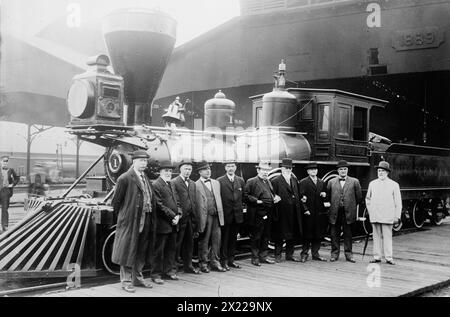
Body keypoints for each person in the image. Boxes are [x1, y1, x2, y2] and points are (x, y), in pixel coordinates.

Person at [111, 150, 156, 293]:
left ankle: (138, 278)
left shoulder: (145, 177)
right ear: (134, 162)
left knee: (141, 250)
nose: (144, 163)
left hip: (145, 219)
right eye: (141, 161)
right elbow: (116, 202)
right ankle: (126, 281)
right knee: (128, 250)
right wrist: (125, 217)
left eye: (145, 161)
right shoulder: (124, 178)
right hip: (131, 221)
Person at [244, 161, 281, 266]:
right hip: (257, 214)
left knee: (266, 235)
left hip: (268, 213)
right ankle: (255, 258)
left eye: (267, 171)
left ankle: (263, 256)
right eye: (263, 170)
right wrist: (257, 201)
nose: (265, 172)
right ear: (258, 170)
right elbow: (245, 196)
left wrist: (275, 197)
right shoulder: (251, 181)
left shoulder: (268, 181)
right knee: (256, 236)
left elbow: (271, 194)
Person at [365, 161, 402, 265]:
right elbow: (368, 199)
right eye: (379, 171)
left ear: (387, 172)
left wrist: (397, 216)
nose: (380, 173)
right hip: (375, 215)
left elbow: (398, 202)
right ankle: (377, 257)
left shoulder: (394, 185)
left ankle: (389, 258)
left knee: (387, 237)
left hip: (388, 216)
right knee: (376, 237)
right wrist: (371, 211)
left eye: (383, 171)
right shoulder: (372, 184)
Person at [151, 161, 181, 284]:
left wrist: (179, 214)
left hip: (173, 223)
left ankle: (169, 271)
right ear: (160, 172)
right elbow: (159, 205)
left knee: (171, 248)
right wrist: (173, 216)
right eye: (166, 171)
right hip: (162, 224)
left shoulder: (171, 184)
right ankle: (156, 274)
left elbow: (177, 201)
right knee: (159, 250)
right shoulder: (156, 185)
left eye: (170, 171)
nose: (168, 173)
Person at [327, 160, 362, 263]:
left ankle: (349, 255)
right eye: (341, 169)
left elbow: (359, 197)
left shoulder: (354, 181)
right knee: (334, 234)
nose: (343, 171)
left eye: (345, 169)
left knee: (348, 234)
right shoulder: (331, 182)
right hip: (335, 212)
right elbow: (328, 196)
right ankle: (334, 254)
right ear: (338, 170)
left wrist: (350, 205)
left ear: (347, 170)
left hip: (348, 212)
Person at [195, 161, 226, 273]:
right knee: (204, 240)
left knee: (216, 240)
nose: (208, 171)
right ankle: (203, 263)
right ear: (199, 172)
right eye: (205, 169)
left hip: (216, 216)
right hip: (204, 217)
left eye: (209, 169)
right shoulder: (196, 185)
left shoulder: (216, 183)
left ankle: (215, 262)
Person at [270, 158, 303, 262]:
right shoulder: (275, 181)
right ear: (282, 168)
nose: (288, 170)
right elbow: (272, 195)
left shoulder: (294, 180)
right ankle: (278, 255)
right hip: (282, 212)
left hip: (294, 212)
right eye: (286, 168)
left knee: (292, 234)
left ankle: (290, 255)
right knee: (279, 234)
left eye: (290, 168)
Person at [172, 161, 200, 274]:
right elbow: (175, 200)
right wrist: (179, 214)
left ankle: (188, 266)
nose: (187, 171)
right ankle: (173, 268)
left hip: (190, 218)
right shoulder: (174, 182)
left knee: (189, 243)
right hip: (180, 218)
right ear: (180, 170)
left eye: (189, 169)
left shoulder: (193, 183)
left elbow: (194, 201)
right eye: (185, 169)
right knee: (176, 244)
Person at [217, 161, 245, 270]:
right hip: (226, 216)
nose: (230, 168)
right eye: (228, 166)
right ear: (225, 168)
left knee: (233, 239)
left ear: (236, 167)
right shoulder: (220, 181)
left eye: (232, 166)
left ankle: (231, 260)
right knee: (224, 240)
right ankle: (223, 261)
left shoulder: (240, 180)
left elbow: (243, 197)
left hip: (237, 216)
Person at [298, 162, 328, 262]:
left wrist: (325, 195)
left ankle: (316, 254)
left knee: (318, 234)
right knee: (307, 234)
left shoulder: (321, 182)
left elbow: (326, 196)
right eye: (311, 170)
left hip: (319, 213)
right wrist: (305, 209)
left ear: (317, 171)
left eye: (315, 169)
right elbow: (300, 198)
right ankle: (304, 254)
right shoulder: (303, 182)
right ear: (307, 172)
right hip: (308, 213)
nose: (313, 171)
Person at [0, 155, 20, 233]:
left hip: (5, 191)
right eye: (3, 161)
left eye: (6, 161)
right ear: (1, 161)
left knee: (5, 209)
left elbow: (17, 178)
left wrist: (12, 184)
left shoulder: (11, 170)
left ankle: (4, 226)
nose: (5, 162)